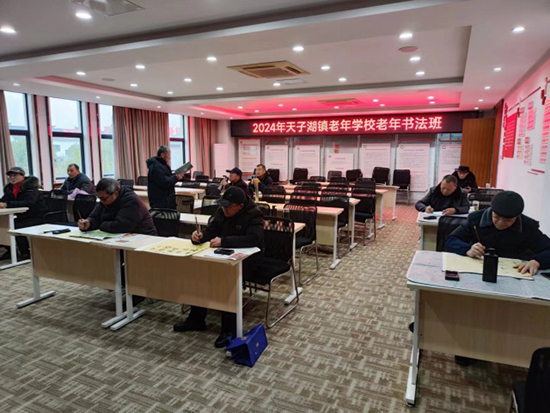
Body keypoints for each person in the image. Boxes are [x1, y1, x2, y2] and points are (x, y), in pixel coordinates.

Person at [173, 186, 264, 348]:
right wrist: (199, 237)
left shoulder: (254, 214)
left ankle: (228, 330)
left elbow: (253, 239)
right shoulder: (222, 211)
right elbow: (212, 230)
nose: (224, 210)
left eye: (228, 207)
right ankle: (196, 319)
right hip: (222, 256)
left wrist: (224, 241)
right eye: (222, 206)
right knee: (199, 276)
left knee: (227, 281)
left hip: (249, 260)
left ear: (240, 206)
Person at [445, 190, 550, 274]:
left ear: (517, 217)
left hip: (513, 272)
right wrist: (467, 249)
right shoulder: (476, 219)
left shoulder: (528, 226)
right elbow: (451, 240)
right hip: (478, 269)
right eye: (496, 217)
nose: (500, 223)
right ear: (492, 211)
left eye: (507, 220)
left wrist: (537, 261)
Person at [78, 178, 157, 235]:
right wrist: (89, 223)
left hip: (143, 236)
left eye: (104, 198)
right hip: (121, 237)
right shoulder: (105, 201)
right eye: (99, 198)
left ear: (115, 194)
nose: (101, 201)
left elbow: (121, 226)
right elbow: (95, 217)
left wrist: (101, 224)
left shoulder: (131, 201)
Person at [0, 167, 47, 260]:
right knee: (4, 225)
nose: (12, 178)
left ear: (22, 176)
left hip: (37, 216)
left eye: (15, 175)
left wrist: (7, 204)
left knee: (15, 226)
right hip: (22, 215)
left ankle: (25, 253)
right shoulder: (10, 188)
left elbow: (28, 203)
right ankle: (10, 250)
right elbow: (4, 200)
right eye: (10, 176)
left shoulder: (31, 188)